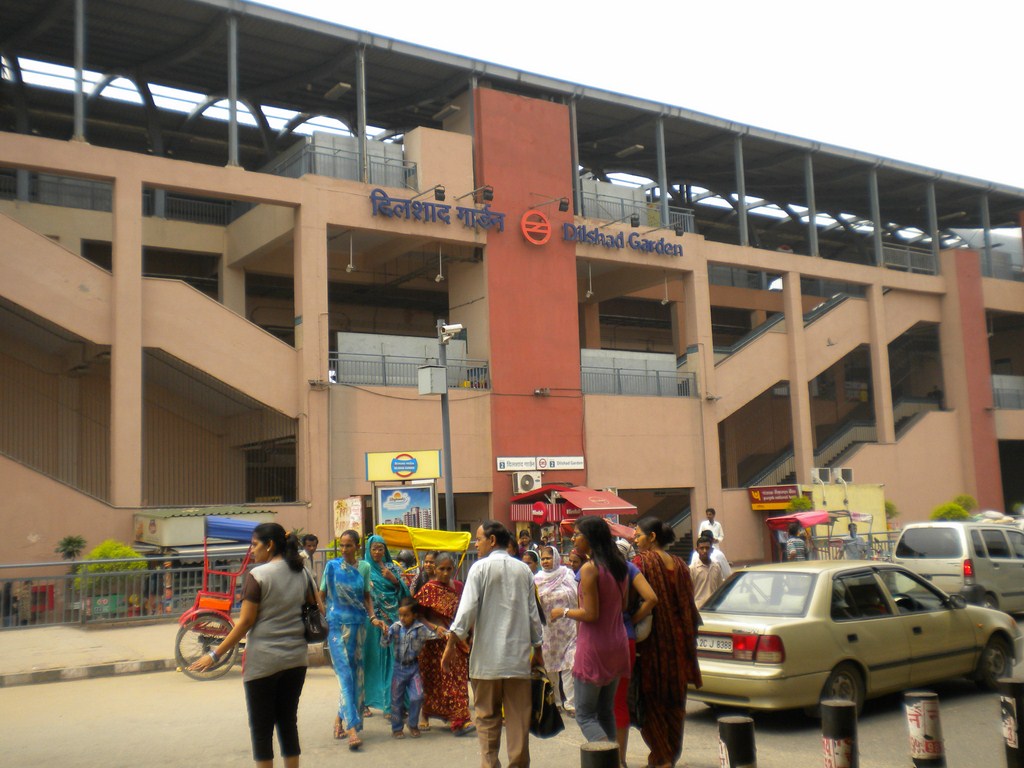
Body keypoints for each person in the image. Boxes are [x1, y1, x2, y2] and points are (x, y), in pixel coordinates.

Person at [188, 522, 309, 767]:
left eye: (255, 545)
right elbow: (315, 607)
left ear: (270, 545)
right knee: (288, 723)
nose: (252, 550)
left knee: (262, 729)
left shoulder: (258, 575)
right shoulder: (303, 572)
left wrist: (214, 655)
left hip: (263, 663)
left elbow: (244, 623)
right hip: (296, 659)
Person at [442, 521, 544, 768]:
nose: (476, 544)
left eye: (478, 539)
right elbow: (533, 614)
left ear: (492, 541)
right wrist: (538, 649)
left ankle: (490, 764)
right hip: (517, 660)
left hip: (486, 660)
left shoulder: (479, 569)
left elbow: (466, 612)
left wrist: (451, 643)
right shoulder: (524, 571)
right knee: (519, 719)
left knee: (487, 718)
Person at [550, 516, 630, 744]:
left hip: (594, 647)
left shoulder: (590, 569)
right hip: (617, 643)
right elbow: (623, 605)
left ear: (591, 539)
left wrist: (563, 612)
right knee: (605, 712)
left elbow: (591, 613)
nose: (573, 538)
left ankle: (607, 758)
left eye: (577, 534)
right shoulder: (619, 566)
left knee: (585, 715)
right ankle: (614, 757)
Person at [632, 517, 702, 768]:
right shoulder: (681, 565)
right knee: (675, 701)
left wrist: (631, 621)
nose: (635, 539)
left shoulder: (641, 563)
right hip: (680, 642)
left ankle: (661, 757)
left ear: (652, 537)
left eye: (638, 535)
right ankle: (669, 754)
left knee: (652, 700)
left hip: (654, 643)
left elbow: (635, 600)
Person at [321, 529, 382, 750]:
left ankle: (339, 718)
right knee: (345, 675)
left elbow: (366, 596)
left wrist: (373, 617)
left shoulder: (364, 568)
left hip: (358, 626)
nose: (345, 549)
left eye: (349, 545)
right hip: (336, 626)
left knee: (356, 676)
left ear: (357, 546)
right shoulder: (332, 567)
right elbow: (322, 594)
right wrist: (325, 617)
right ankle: (352, 729)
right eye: (342, 545)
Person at [416, 552, 476, 736]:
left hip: (456, 640)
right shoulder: (428, 588)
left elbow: (467, 611)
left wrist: (470, 633)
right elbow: (418, 614)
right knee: (433, 680)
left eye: (448, 569)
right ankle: (425, 714)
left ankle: (460, 720)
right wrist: (434, 627)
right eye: (441, 569)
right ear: (434, 568)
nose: (445, 573)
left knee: (456, 679)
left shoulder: (458, 587)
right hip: (433, 644)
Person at [613, 538, 658, 767]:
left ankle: (604, 756)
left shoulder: (595, 569)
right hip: (627, 637)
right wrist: (631, 619)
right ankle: (619, 759)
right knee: (619, 701)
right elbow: (651, 598)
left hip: (602, 641)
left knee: (596, 706)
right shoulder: (630, 569)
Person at [380, 596, 442, 739]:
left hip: (413, 667)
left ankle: (412, 723)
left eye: (406, 615)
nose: (402, 618)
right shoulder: (395, 628)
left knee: (418, 696)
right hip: (398, 668)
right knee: (396, 699)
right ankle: (396, 728)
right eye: (400, 615)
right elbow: (384, 644)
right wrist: (384, 635)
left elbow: (432, 636)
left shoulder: (420, 629)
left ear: (414, 615)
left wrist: (442, 633)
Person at [363, 534, 411, 719]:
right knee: (372, 663)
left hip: (392, 622)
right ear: (368, 550)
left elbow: (406, 595)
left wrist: (393, 580)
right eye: (374, 548)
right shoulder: (364, 569)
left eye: (380, 548)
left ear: (385, 551)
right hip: (372, 623)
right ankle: (368, 701)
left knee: (394, 662)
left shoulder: (392, 568)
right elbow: (362, 594)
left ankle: (394, 704)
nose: (377, 552)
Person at [534, 545, 579, 716]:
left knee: (570, 664)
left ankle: (571, 704)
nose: (545, 561)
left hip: (568, 626)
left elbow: (576, 596)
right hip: (548, 629)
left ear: (556, 558)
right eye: (543, 559)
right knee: (551, 667)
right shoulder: (537, 579)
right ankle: (557, 702)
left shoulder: (567, 574)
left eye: (548, 558)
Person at [689, 537, 724, 610]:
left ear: (712, 550)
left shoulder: (716, 567)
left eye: (707, 548)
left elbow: (720, 589)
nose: (705, 551)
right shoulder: (692, 569)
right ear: (697, 550)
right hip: (698, 609)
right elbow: (688, 593)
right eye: (702, 548)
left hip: (714, 608)